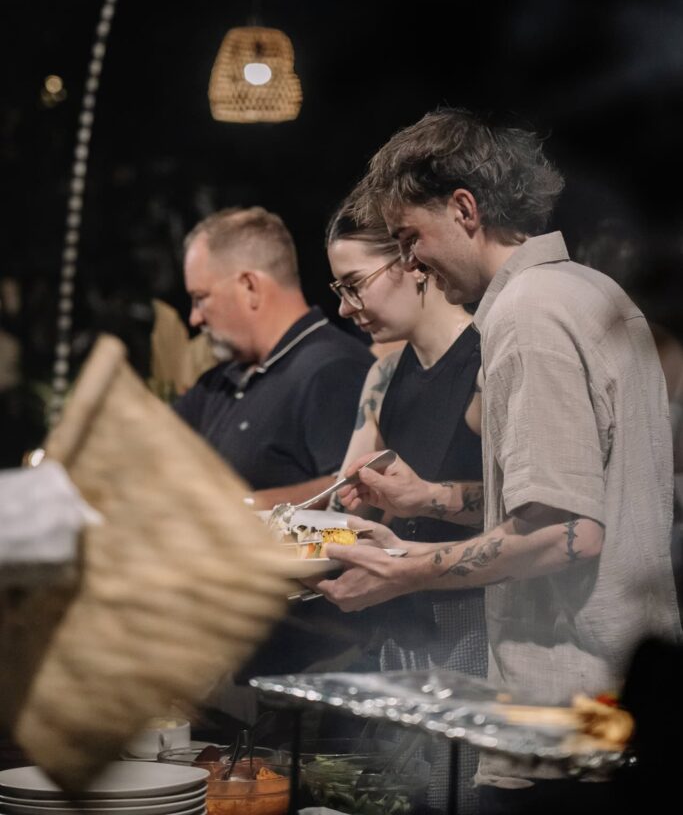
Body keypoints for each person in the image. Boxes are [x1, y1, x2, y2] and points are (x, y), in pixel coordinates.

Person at [314, 108, 682, 814]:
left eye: (409, 238)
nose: (410, 263)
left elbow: (564, 532)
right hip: (612, 699)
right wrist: (429, 501)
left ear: (464, 209)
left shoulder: (527, 315)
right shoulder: (589, 290)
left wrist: (405, 570)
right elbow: (580, 495)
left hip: (564, 713)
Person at [325, 193, 486, 814]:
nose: (345, 307)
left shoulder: (487, 359)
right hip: (402, 628)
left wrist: (424, 498)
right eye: (339, 289)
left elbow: (523, 507)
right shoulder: (385, 375)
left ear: (410, 261)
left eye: (354, 285)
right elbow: (350, 507)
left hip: (473, 629)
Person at [174, 206, 373, 508]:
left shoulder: (334, 370)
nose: (195, 318)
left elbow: (356, 486)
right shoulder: (220, 382)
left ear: (249, 286)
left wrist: (241, 507)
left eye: (200, 298)